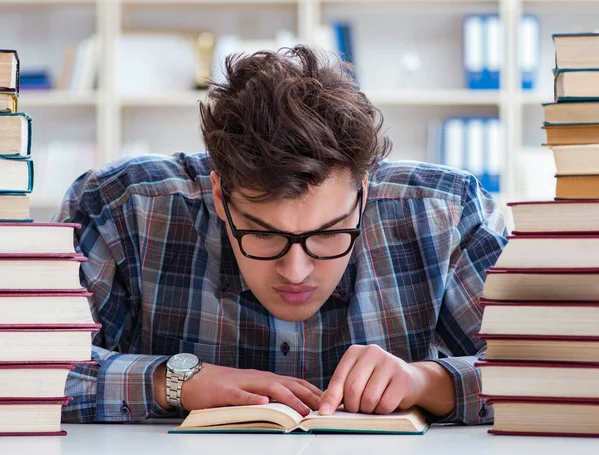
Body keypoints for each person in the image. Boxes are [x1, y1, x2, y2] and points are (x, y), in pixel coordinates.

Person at [54, 45, 507, 425]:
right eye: (263, 234)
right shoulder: (118, 206)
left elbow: (551, 370)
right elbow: (21, 371)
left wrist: (428, 381)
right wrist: (171, 381)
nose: (296, 271)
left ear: (363, 193)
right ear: (218, 194)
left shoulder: (447, 210)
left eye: (329, 234)